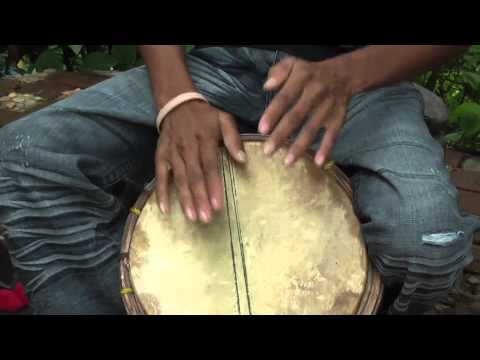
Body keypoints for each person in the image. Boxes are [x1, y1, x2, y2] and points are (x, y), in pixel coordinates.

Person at [0, 45, 478, 315]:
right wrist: (177, 101)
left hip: (361, 81)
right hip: (218, 64)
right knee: (24, 159)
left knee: (427, 241)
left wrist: (349, 73)